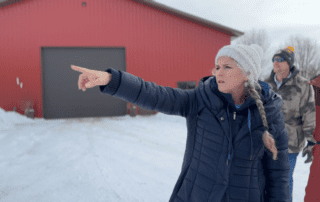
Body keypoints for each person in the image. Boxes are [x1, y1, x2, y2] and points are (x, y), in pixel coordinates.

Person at [71, 44, 290, 202]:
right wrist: (112, 80)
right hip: (197, 195)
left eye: (227, 67)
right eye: (217, 66)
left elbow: (278, 176)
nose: (217, 73)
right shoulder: (200, 100)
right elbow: (155, 94)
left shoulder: (270, 115)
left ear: (247, 74)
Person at [264, 46, 316, 202]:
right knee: (265, 178)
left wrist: (311, 141)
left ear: (289, 63)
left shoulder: (302, 85)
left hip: (290, 142)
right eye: (274, 59)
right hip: (265, 141)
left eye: (280, 60)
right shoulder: (265, 84)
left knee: (283, 180)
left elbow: (309, 113)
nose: (276, 63)